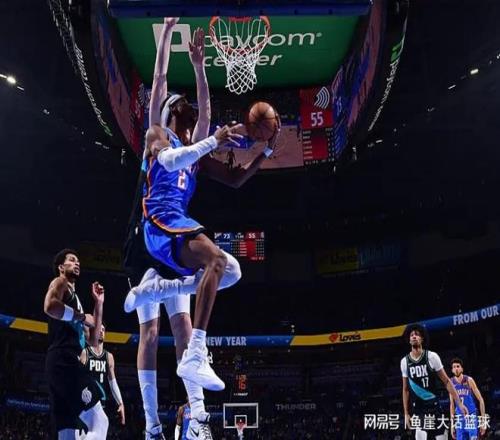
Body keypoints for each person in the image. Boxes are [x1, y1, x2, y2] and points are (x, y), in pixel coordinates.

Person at [123, 17, 280, 440]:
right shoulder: (158, 134)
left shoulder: (195, 147)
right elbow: (160, 88)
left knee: (230, 272)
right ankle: (179, 382)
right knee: (167, 314)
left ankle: (166, 299)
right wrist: (167, 34)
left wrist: (199, 66)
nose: (192, 109)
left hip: (177, 226)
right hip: (155, 226)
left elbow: (234, 176)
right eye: (184, 106)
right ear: (172, 111)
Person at [43, 248, 108, 439]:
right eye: (72, 260)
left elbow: (94, 339)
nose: (77, 263)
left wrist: (98, 303)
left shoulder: (75, 300)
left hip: (58, 364)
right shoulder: (60, 282)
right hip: (65, 361)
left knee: (68, 434)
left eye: (78, 260)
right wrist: (80, 316)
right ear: (61, 267)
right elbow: (49, 306)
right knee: (100, 422)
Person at [401, 324, 468, 440]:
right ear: (409, 340)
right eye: (411, 335)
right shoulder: (404, 362)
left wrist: (459, 403)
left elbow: (447, 381)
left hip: (434, 406)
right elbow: (405, 389)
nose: (414, 336)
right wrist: (406, 413)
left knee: (442, 437)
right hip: (419, 408)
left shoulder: (432, 357)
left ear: (422, 338)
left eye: (417, 334)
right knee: (420, 436)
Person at [80, 323, 126, 426]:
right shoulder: (85, 353)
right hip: (86, 400)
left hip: (101, 402)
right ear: (93, 332)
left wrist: (120, 403)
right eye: (99, 329)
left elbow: (113, 382)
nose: (101, 332)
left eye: (103, 330)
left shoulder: (109, 357)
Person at [449, 358, 486, 440]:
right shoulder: (450, 383)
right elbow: (452, 404)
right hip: (459, 418)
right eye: (454, 367)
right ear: (452, 370)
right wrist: (452, 425)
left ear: (462, 369)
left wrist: (483, 421)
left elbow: (481, 400)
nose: (456, 369)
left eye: (458, 366)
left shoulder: (469, 380)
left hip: (471, 415)